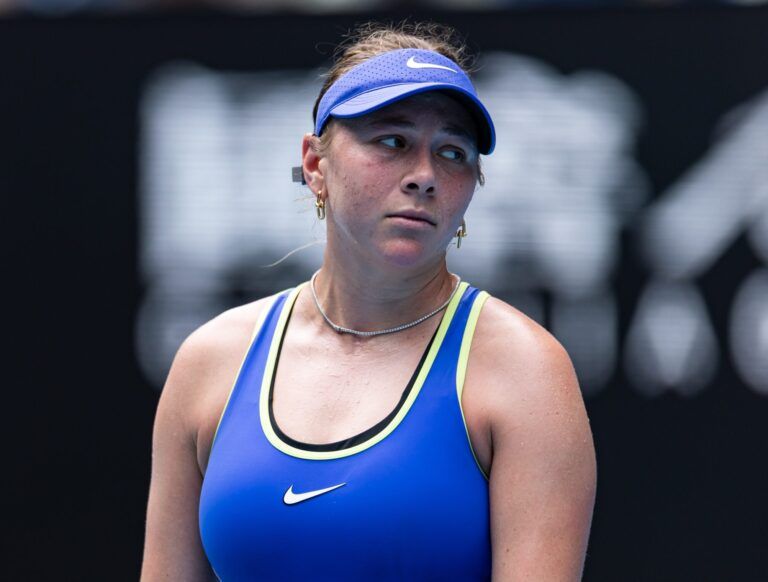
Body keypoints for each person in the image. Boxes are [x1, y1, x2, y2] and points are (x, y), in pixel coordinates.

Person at [141, 21, 596, 582]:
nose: (425, 176)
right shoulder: (210, 362)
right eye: (392, 141)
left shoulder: (527, 372)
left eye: (454, 153)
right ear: (315, 165)